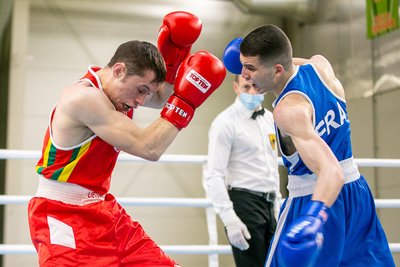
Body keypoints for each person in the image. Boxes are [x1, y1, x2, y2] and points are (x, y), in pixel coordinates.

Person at [28, 11, 226, 267]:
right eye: (141, 91)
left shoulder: (119, 91)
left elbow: (165, 96)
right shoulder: (83, 99)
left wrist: (175, 63)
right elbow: (150, 147)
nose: (141, 102)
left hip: (102, 211)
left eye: (147, 93)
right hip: (62, 214)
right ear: (119, 70)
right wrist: (186, 103)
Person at [223, 24, 395, 267]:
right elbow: (288, 62)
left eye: (250, 68)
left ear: (277, 70)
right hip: (356, 194)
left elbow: (331, 171)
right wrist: (254, 61)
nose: (244, 75)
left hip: (316, 195)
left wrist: (314, 215)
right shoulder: (320, 66)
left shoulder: (288, 110)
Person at [204, 72, 280, 267]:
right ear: (236, 87)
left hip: (271, 204)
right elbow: (213, 175)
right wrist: (230, 220)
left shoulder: (271, 120)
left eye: (256, 86)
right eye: (246, 87)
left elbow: (272, 167)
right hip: (244, 203)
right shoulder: (225, 122)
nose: (252, 91)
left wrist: (278, 205)